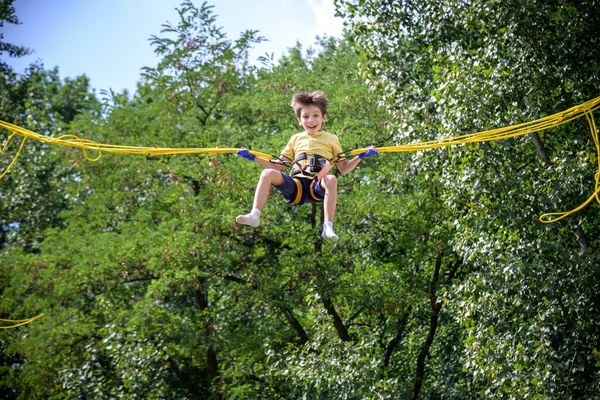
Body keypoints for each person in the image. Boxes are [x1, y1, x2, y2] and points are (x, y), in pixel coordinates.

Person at [236, 91, 377, 241]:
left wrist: (360, 156)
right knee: (267, 173)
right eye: (306, 116)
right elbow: (278, 166)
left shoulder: (331, 139)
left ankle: (327, 226)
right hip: (296, 186)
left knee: (332, 179)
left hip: (316, 185)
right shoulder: (295, 139)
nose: (311, 120)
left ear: (324, 118)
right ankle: (254, 215)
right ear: (299, 120)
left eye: (316, 115)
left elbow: (344, 168)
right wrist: (253, 157)